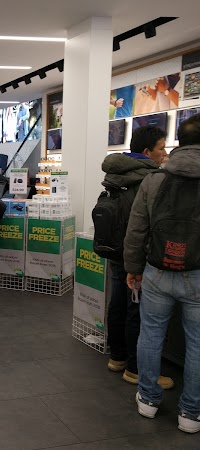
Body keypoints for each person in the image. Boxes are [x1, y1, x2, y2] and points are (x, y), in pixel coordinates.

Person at [124, 113, 200, 433]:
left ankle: (148, 399)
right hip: (197, 274)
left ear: (179, 141)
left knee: (151, 334)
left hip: (156, 270)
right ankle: (191, 413)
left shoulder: (154, 180)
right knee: (197, 343)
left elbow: (136, 230)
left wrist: (132, 268)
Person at [101, 126, 173, 389]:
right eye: (161, 148)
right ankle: (135, 368)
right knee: (137, 310)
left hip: (114, 248)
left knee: (118, 302)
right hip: (137, 253)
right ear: (147, 151)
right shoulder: (150, 179)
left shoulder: (116, 172)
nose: (165, 153)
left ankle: (117, 357)